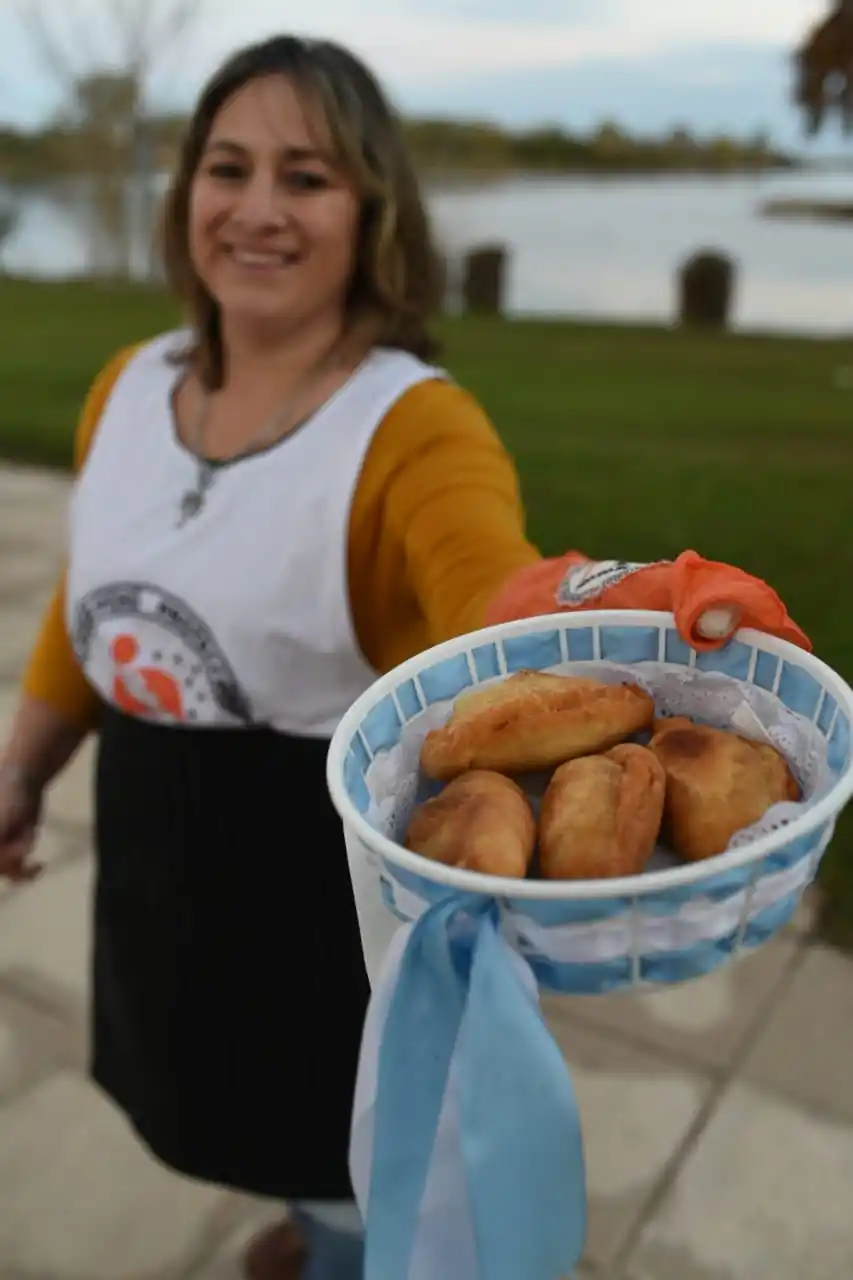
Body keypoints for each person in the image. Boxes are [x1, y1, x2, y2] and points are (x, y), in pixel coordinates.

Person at [0, 34, 808, 1280]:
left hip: (314, 895)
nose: (258, 208)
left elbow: (491, 581)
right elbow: (88, 603)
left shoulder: (413, 422)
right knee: (204, 1092)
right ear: (186, 196)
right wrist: (23, 765)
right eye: (228, 166)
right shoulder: (129, 380)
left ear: (372, 211)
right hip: (160, 861)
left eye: (308, 176)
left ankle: (333, 1244)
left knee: (354, 1133)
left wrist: (595, 599)